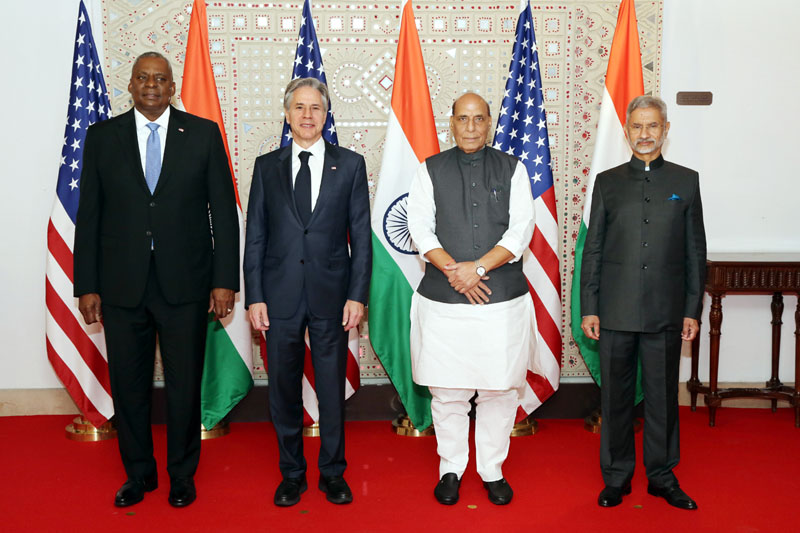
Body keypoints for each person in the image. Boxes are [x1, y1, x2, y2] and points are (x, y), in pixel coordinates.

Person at [74, 52, 240, 508]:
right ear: (130, 85)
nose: (151, 85)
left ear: (172, 88)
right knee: (129, 387)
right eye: (143, 78)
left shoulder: (202, 134)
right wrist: (86, 284)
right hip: (121, 286)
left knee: (184, 388)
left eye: (160, 79)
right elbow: (89, 216)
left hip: (185, 285)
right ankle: (139, 474)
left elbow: (223, 213)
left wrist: (224, 280)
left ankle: (182, 475)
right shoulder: (102, 136)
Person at [243, 78, 371, 507]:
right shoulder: (267, 167)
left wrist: (357, 295)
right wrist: (255, 296)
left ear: (326, 114)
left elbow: (361, 238)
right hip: (278, 296)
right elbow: (255, 236)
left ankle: (333, 472)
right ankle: (292, 474)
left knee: (331, 388)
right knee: (282, 389)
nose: (307, 115)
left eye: (315, 108)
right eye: (299, 107)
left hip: (332, 295)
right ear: (287, 113)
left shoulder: (350, 165)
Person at [407, 92, 537, 506]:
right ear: (451, 123)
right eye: (463, 119)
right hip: (443, 301)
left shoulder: (514, 169)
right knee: (449, 391)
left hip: (501, 302)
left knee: (499, 390)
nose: (470, 127)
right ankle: (451, 468)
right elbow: (419, 229)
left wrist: (476, 269)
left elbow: (521, 231)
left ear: (489, 123)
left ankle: (492, 469)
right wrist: (456, 271)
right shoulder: (429, 169)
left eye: (478, 118)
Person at [580, 95, 706, 510]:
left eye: (653, 126)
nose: (645, 134)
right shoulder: (608, 182)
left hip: (666, 311)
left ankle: (662, 476)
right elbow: (593, 250)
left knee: (663, 399)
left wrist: (691, 310)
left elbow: (695, 252)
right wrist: (589, 306)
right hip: (614, 310)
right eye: (637, 126)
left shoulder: (686, 181)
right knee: (615, 400)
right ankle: (616, 477)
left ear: (666, 130)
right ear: (626, 131)